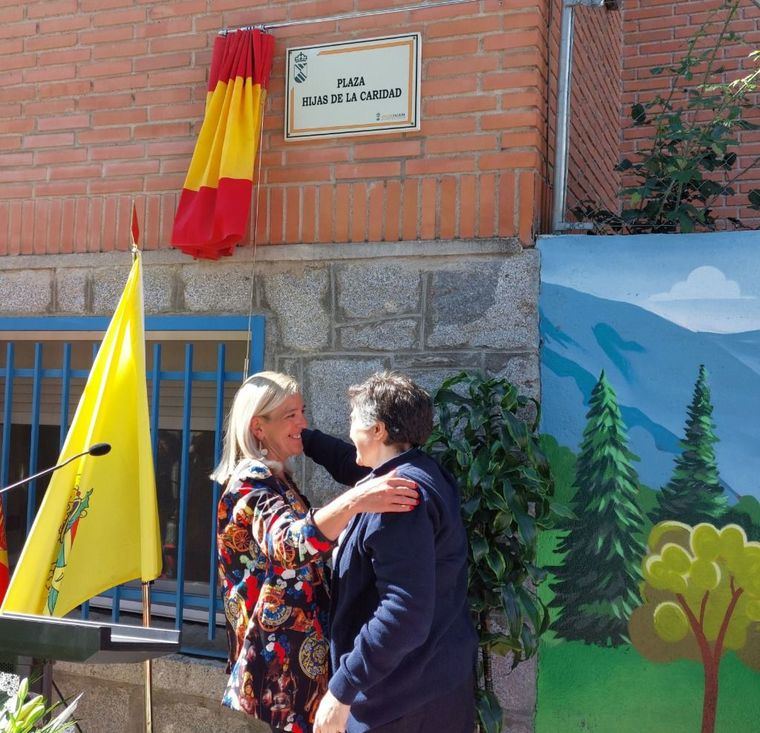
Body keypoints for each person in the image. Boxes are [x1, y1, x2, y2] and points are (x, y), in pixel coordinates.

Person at [213, 371, 419, 733]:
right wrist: (355, 501)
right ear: (258, 427)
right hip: (283, 670)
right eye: (292, 414)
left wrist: (295, 434)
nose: (304, 422)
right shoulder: (250, 483)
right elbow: (287, 544)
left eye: (302, 411)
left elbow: (339, 458)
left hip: (297, 664)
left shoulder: (275, 477)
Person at [304, 372, 478, 733]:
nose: (350, 429)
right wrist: (301, 438)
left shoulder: (397, 499)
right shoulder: (420, 472)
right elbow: (348, 464)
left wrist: (342, 689)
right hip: (435, 685)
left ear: (378, 430)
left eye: (353, 420)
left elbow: (403, 613)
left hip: (400, 704)